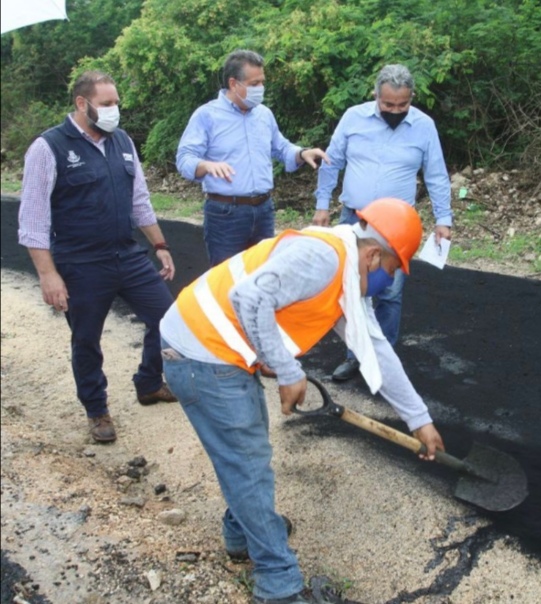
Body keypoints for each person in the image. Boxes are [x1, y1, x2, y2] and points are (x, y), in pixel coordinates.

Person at [159, 197, 445, 604]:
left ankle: (242, 532)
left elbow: (377, 349)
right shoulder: (322, 259)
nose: (391, 282)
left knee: (248, 457)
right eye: (394, 272)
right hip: (200, 353)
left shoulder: (347, 272)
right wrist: (289, 371)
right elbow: (248, 298)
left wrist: (419, 418)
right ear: (375, 255)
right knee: (248, 464)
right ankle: (278, 586)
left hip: (219, 352)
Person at [17, 70, 178, 444]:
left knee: (168, 321)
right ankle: (97, 409)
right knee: (87, 339)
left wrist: (160, 245)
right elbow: (33, 220)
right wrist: (48, 275)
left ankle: (149, 383)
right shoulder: (48, 147)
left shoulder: (122, 141)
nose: (114, 111)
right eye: (106, 104)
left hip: (128, 255)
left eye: (116, 103)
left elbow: (140, 201)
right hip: (81, 263)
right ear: (81, 103)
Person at [312, 64, 453, 382]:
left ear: (411, 97)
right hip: (355, 220)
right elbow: (331, 164)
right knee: (353, 289)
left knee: (389, 293)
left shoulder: (423, 126)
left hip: (396, 228)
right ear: (376, 95)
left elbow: (436, 174)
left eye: (402, 105)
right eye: (388, 104)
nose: (395, 110)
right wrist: (322, 205)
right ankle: (354, 356)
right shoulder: (353, 118)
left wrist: (444, 219)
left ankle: (383, 359)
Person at [176, 49, 329, 267]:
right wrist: (206, 165)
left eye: (262, 82)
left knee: (263, 279)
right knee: (226, 281)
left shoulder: (264, 114)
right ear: (233, 84)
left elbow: (281, 147)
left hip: (263, 210)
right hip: (226, 214)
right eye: (254, 83)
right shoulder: (207, 115)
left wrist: (302, 153)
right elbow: (184, 159)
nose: (260, 89)